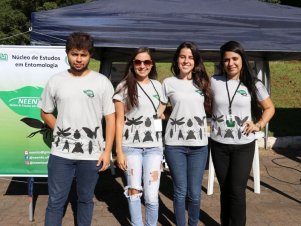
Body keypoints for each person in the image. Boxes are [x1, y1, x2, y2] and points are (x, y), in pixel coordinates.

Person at [38, 32, 115, 226]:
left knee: (85, 200)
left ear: (90, 55)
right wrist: (61, 130)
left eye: (83, 54)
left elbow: (111, 118)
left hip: (91, 155)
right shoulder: (56, 81)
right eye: (74, 54)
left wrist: (107, 151)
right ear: (67, 54)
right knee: (55, 202)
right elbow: (45, 112)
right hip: (61, 153)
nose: (78, 59)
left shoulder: (102, 82)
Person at [210, 41, 275, 226]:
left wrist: (259, 124)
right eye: (226, 60)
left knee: (237, 191)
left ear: (242, 59)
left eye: (234, 59)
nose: (231, 63)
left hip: (243, 146)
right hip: (218, 144)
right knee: (225, 190)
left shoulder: (253, 84)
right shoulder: (214, 81)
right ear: (222, 63)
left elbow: (269, 108)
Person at [161, 41, 211, 226]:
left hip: (199, 146)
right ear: (177, 59)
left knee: (195, 193)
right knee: (180, 192)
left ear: (195, 61)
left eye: (190, 57)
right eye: (182, 57)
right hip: (175, 145)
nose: (186, 60)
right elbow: (160, 112)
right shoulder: (168, 83)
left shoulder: (204, 83)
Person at [113, 47, 164, 226]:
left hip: (154, 148)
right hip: (131, 147)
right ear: (132, 64)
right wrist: (118, 151)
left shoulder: (158, 86)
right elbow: (119, 121)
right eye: (138, 62)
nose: (142, 66)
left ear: (152, 64)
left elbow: (162, 106)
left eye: (146, 62)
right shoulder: (123, 87)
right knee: (134, 191)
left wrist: (160, 114)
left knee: (151, 196)